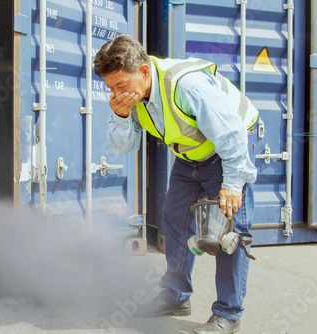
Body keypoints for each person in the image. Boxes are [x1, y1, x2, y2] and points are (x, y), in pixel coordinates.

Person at [93, 34, 259, 334]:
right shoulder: (133, 97)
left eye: (121, 85)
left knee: (227, 233)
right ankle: (175, 296)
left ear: (144, 71)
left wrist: (233, 184)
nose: (117, 93)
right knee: (175, 220)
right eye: (110, 88)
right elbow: (123, 146)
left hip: (230, 150)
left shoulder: (187, 86)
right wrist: (120, 113)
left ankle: (228, 314)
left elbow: (232, 134)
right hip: (191, 155)